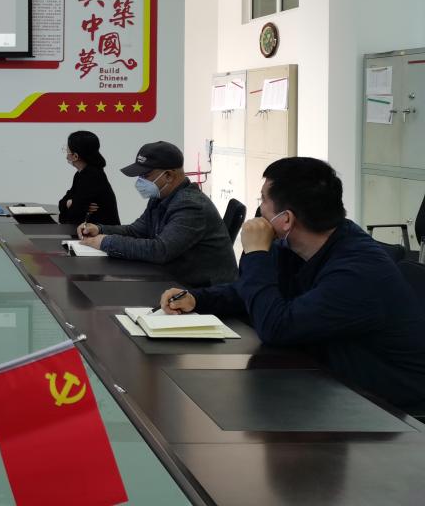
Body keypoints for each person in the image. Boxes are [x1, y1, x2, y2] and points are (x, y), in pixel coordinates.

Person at [159, 157, 425, 411]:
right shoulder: (297, 246)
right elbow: (252, 290)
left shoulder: (359, 272)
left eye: (263, 200)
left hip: (387, 409)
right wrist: (198, 299)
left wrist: (256, 253)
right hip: (326, 383)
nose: (259, 210)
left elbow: (276, 327)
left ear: (286, 219)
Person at [76, 141, 237, 287]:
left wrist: (106, 242)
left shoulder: (191, 206)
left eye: (145, 175)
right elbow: (136, 230)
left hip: (204, 293)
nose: (139, 181)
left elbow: (160, 250)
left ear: (168, 175)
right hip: (175, 280)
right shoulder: (160, 197)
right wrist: (100, 229)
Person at [58, 131, 119, 226]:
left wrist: (74, 204)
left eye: (67, 150)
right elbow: (63, 203)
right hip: (91, 229)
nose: (66, 154)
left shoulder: (92, 176)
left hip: (104, 232)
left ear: (75, 156)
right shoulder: (81, 174)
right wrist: (70, 203)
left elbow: (73, 215)